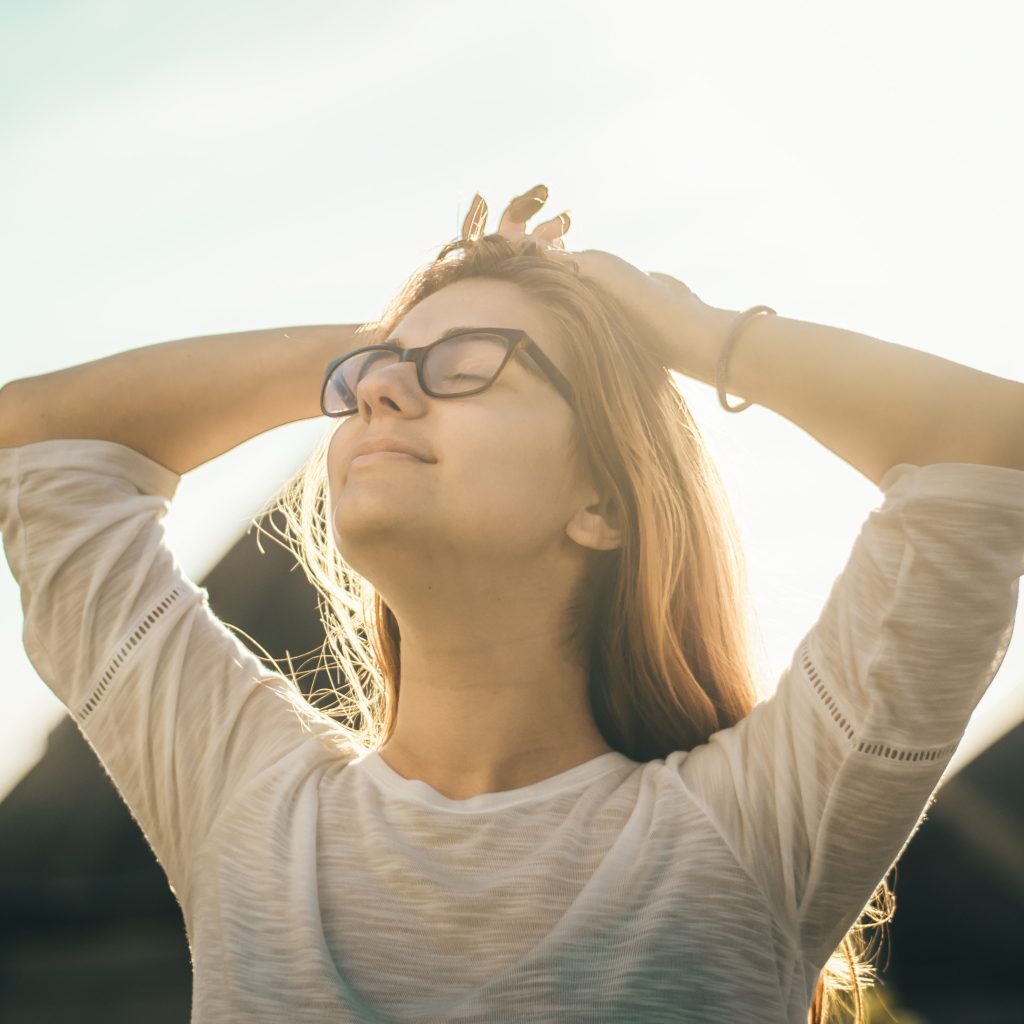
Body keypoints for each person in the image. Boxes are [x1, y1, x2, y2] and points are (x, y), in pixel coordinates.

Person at [0, 184, 1021, 1024]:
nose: (385, 395)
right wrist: (401, 327)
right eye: (371, 380)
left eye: (465, 370)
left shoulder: (753, 826)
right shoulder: (243, 798)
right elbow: (39, 445)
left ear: (603, 503)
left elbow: (988, 449)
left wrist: (696, 333)